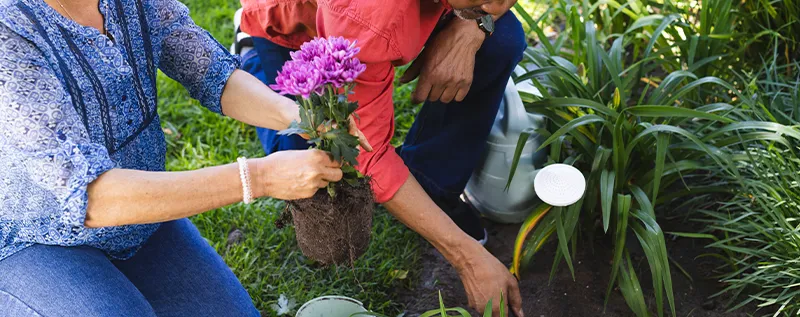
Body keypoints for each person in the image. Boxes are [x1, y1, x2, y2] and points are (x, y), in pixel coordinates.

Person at [0, 0, 371, 315]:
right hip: (35, 238)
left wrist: (300, 119)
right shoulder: (9, 30)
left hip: (144, 218)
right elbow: (90, 196)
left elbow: (209, 72)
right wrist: (260, 178)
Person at [237, 0, 527, 314]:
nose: (494, 4)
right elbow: (368, 154)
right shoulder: (365, 15)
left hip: (376, 24)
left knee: (502, 37)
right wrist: (467, 258)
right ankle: (250, 55)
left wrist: (473, 25)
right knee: (314, 166)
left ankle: (429, 184)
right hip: (297, 29)